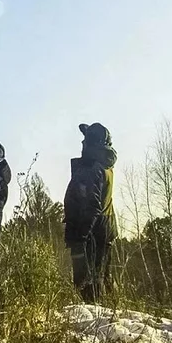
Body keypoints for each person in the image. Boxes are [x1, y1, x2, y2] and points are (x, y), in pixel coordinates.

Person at [64, 122, 118, 304]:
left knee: (90, 284)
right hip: (104, 228)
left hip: (92, 233)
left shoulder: (93, 169)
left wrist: (80, 238)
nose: (82, 143)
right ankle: (105, 317)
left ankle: (96, 324)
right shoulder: (104, 165)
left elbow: (92, 207)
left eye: (86, 140)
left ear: (92, 145)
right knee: (101, 278)